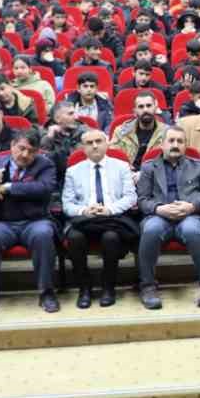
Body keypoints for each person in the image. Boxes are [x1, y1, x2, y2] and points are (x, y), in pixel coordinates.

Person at [0, 127, 59, 316]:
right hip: (2, 222)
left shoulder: (45, 164)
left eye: (32, 151)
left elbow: (43, 188)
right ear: (12, 146)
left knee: (43, 234)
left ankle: (47, 292)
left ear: (38, 152)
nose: (25, 155)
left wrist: (9, 187)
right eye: (21, 148)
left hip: (35, 220)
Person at [135, 125, 200, 309]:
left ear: (185, 145)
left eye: (180, 141)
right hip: (159, 216)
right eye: (171, 141)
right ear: (162, 144)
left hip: (190, 216)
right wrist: (159, 209)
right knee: (151, 229)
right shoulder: (149, 168)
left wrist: (192, 206)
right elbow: (142, 200)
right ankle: (148, 286)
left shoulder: (198, 167)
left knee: (191, 230)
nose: (175, 145)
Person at [60, 128, 140, 309]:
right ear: (83, 147)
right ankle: (84, 288)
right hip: (85, 221)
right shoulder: (73, 171)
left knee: (110, 238)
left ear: (107, 143)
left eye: (98, 141)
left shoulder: (121, 167)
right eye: (89, 143)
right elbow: (67, 204)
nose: (95, 146)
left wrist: (109, 209)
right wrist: (85, 210)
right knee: (74, 238)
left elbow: (130, 197)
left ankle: (108, 287)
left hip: (112, 220)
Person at [111, 90, 174, 168]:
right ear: (135, 111)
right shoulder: (121, 131)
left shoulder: (167, 133)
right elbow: (113, 158)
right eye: (141, 107)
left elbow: (171, 160)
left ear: (155, 107)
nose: (145, 110)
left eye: (149, 106)